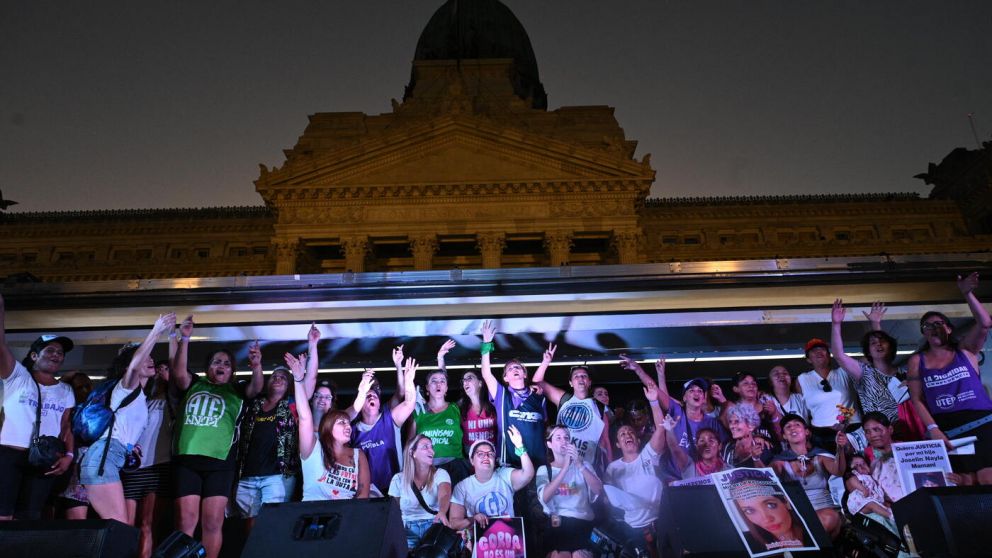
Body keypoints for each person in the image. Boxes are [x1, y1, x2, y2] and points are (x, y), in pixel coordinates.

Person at [170, 315, 264, 558]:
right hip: (188, 460)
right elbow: (179, 372)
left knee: (212, 523)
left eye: (226, 363)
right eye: (215, 362)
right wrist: (185, 339)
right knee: (186, 521)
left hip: (220, 463)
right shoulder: (194, 383)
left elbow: (257, 387)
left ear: (232, 370)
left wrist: (256, 365)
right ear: (207, 368)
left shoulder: (237, 390)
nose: (220, 365)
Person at [81, 314, 175, 523]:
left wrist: (130, 446)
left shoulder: (139, 397)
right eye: (145, 356)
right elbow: (134, 366)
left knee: (118, 529)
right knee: (119, 527)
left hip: (110, 457)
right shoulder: (126, 386)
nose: (150, 359)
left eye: (151, 356)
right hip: (103, 458)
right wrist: (156, 331)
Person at [906, 272, 992, 484]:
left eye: (939, 323)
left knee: (988, 477)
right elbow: (916, 399)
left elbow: (984, 323)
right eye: (927, 326)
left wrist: (967, 293)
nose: (934, 327)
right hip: (948, 429)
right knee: (963, 481)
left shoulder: (965, 350)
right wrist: (933, 429)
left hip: (982, 421)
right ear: (924, 334)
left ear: (949, 327)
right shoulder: (918, 360)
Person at [1, 292, 77, 521]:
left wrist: (69, 455)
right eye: (50, 351)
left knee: (29, 520)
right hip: (8, 454)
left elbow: (66, 427)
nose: (57, 355)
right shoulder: (17, 376)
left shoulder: (65, 390)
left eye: (60, 353)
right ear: (34, 356)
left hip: (43, 460)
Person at [287, 352, 371, 501]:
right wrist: (299, 378)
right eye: (318, 396)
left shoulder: (355, 450)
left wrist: (363, 391)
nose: (322, 400)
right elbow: (305, 416)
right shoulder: (311, 443)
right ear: (312, 399)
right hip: (305, 479)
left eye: (327, 397)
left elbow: (355, 409)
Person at [603, 377, 668, 558]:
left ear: (638, 439)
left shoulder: (649, 454)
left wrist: (654, 401)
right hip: (633, 528)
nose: (627, 435)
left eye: (630, 432)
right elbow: (608, 497)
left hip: (660, 522)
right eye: (622, 434)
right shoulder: (612, 468)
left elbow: (661, 429)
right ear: (617, 444)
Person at [619, 355, 728, 463]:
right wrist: (638, 369)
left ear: (704, 398)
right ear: (684, 398)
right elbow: (654, 388)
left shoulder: (713, 423)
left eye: (700, 391)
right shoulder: (677, 412)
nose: (696, 393)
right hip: (675, 477)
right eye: (691, 391)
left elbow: (723, 449)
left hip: (700, 476)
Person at [233, 364, 298, 533]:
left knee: (270, 523)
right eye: (274, 376)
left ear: (289, 385)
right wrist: (257, 366)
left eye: (283, 377)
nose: (277, 378)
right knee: (251, 525)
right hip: (249, 473)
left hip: (277, 474)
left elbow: (309, 384)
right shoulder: (255, 404)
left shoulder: (293, 405)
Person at [122, 357, 177, 558]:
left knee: (147, 523)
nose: (161, 372)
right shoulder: (142, 400)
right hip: (134, 467)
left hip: (159, 466)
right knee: (125, 524)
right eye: (159, 368)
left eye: (166, 369)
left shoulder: (176, 403)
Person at [348, 351, 417, 496]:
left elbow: (408, 402)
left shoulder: (389, 418)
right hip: (367, 491)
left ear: (380, 403)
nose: (372, 395)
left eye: (375, 394)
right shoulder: (352, 430)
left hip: (394, 489)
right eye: (367, 395)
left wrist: (409, 381)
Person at [533, 349, 613, 471]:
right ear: (571, 383)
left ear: (589, 382)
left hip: (587, 465)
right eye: (576, 376)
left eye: (584, 376)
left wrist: (610, 469)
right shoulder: (563, 398)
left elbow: (605, 441)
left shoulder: (600, 407)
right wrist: (545, 362)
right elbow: (537, 383)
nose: (580, 378)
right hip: (561, 462)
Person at [831, 300, 907, 427]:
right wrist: (836, 324)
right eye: (873, 343)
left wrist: (875, 323)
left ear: (891, 347)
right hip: (877, 435)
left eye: (882, 341)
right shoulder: (864, 372)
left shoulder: (905, 374)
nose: (878, 344)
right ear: (868, 352)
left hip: (907, 432)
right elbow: (839, 355)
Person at [771, 414, 846, 539]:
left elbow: (839, 471)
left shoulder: (819, 455)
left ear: (806, 432)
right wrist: (756, 458)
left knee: (828, 518)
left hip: (825, 509)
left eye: (797, 425)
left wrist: (840, 449)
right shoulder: (780, 462)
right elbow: (765, 478)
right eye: (788, 427)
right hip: (798, 513)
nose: (792, 428)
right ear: (784, 436)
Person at [536, 425, 604, 558]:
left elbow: (599, 490)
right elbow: (544, 497)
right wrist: (565, 468)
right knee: (561, 555)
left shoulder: (584, 465)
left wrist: (579, 465)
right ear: (549, 444)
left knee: (580, 555)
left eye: (566, 438)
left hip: (583, 522)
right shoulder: (545, 470)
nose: (564, 441)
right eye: (559, 438)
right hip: (557, 522)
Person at [449, 426, 534, 529]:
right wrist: (473, 519)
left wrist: (519, 446)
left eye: (490, 454)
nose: (486, 457)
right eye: (480, 454)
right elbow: (454, 523)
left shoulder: (504, 475)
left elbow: (528, 474)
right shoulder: (462, 487)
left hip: (510, 538)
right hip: (480, 541)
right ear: (472, 461)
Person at [795, 337, 862, 453]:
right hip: (821, 435)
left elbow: (867, 363)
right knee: (828, 467)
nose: (818, 352)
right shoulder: (802, 379)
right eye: (813, 350)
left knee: (857, 464)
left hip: (851, 429)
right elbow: (802, 410)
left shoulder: (844, 371)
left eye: (822, 349)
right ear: (808, 359)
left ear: (829, 355)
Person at [388, 434, 452, 550]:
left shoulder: (440, 474)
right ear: (412, 453)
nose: (431, 450)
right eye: (425, 447)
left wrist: (442, 511)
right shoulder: (398, 479)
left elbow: (445, 494)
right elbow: (392, 509)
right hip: (407, 529)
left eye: (431, 447)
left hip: (433, 526)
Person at [414, 340, 465, 482]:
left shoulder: (456, 408)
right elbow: (410, 444)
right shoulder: (418, 411)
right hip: (427, 468)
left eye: (442, 382)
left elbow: (443, 377)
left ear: (447, 388)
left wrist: (441, 358)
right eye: (433, 381)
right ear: (427, 388)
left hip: (456, 467)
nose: (438, 384)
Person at [59, 371, 93, 520]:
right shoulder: (66, 410)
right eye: (80, 387)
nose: (84, 390)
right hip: (69, 462)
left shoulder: (94, 408)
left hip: (86, 464)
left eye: (87, 386)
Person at [734, 492, 813, 552]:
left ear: (786, 502)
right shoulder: (745, 543)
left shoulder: (815, 527)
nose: (766, 519)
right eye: (749, 511)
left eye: (770, 505)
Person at [724, 372, 781, 442]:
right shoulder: (732, 411)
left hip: (772, 449)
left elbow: (781, 435)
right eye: (745, 383)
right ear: (736, 389)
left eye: (753, 383)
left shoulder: (767, 405)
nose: (751, 386)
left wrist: (774, 413)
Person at [720, 403, 775, 468]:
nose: (732, 426)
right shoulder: (727, 446)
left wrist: (756, 459)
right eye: (730, 422)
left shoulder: (762, 448)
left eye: (737, 421)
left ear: (751, 426)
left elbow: (768, 475)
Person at [458, 369, 497, 457]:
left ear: (480, 383)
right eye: (464, 380)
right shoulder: (460, 406)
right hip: (470, 458)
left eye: (469, 378)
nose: (465, 382)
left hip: (492, 455)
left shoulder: (493, 403)